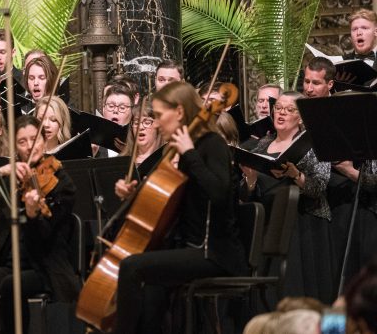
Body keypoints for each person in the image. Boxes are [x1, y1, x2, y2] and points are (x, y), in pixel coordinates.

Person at [113, 81, 247, 333]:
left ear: (179, 112)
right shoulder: (173, 151)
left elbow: (218, 194)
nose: (157, 123)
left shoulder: (212, 144)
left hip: (214, 252)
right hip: (186, 247)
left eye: (160, 115)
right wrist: (133, 193)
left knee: (132, 266)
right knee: (149, 288)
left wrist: (189, 154)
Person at [0, 115, 79, 334]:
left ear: (44, 141)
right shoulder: (12, 178)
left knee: (11, 284)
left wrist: (33, 214)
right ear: (15, 146)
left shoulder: (62, 182)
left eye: (34, 139)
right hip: (9, 265)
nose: (29, 147)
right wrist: (0, 173)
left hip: (45, 269)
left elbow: (47, 239)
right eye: (22, 142)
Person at [240, 91, 336, 304]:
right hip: (270, 224)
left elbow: (319, 187)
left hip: (303, 225)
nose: (281, 113)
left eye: (289, 109)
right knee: (271, 292)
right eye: (278, 108)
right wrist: (251, 178)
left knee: (298, 289)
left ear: (300, 117)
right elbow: (249, 193)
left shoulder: (312, 143)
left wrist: (296, 175)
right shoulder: (262, 145)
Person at [118, 97, 162, 177]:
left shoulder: (164, 159)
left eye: (147, 122)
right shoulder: (121, 161)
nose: (140, 127)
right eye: (136, 123)